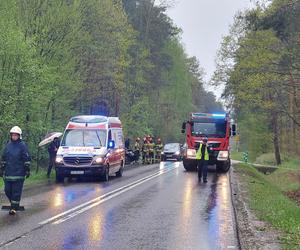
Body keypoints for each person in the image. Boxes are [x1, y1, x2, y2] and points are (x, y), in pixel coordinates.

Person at [0, 126, 31, 215]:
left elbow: (26, 158)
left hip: (19, 173)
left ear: (19, 136)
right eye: (12, 135)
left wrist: (27, 169)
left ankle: (13, 208)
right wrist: (1, 169)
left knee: (16, 192)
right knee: (7, 190)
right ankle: (14, 204)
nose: (14, 136)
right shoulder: (7, 145)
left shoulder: (22, 146)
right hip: (8, 173)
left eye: (15, 135)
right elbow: (3, 157)